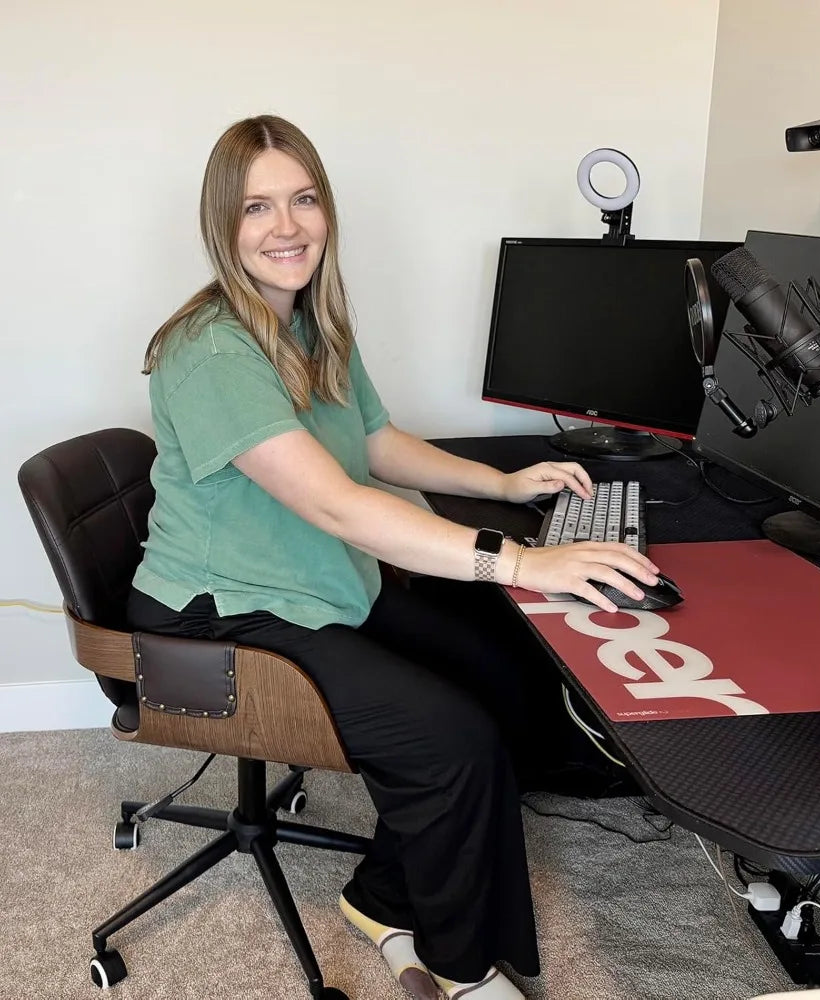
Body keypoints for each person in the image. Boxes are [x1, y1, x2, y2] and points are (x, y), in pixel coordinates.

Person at [127, 114, 660, 1000]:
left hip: (314, 579)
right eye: (257, 207)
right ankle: (456, 966)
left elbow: (374, 442)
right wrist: (522, 564)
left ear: (327, 210)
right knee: (453, 742)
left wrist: (505, 486)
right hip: (223, 612)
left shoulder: (310, 324)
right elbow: (340, 503)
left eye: (302, 199)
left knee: (507, 675)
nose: (285, 225)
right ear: (223, 225)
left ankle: (380, 900)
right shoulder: (212, 348)